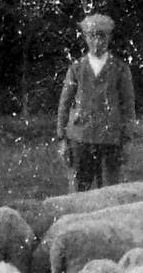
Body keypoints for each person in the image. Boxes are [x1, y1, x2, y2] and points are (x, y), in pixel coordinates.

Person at [56, 13, 136, 192]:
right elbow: (64, 104)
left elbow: (128, 107)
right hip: (80, 138)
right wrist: (62, 139)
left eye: (102, 36)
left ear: (109, 38)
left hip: (110, 140)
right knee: (78, 192)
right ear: (85, 38)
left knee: (109, 192)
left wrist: (127, 139)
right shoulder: (77, 68)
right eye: (92, 36)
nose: (97, 42)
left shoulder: (120, 69)